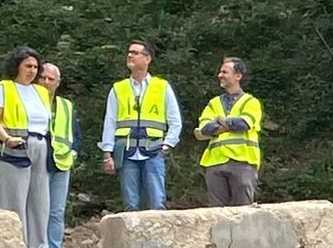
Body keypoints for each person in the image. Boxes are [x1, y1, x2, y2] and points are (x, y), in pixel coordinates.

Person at [0, 46, 54, 248]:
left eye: (36, 67)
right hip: (14, 145)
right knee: (14, 198)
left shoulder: (42, 91)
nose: (32, 71)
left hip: (39, 143)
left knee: (40, 199)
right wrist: (6, 138)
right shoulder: (4, 88)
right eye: (28, 66)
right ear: (17, 66)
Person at [98, 39, 180, 210]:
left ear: (147, 58)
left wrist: (166, 146)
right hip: (126, 153)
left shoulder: (162, 87)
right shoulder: (118, 88)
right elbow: (110, 123)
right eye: (129, 52)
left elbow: (175, 121)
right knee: (130, 205)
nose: (130, 55)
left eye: (135, 53)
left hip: (153, 152)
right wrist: (107, 154)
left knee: (157, 203)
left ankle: (158, 237)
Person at [196, 56, 262, 206]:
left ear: (238, 76)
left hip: (242, 162)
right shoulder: (214, 103)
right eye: (220, 72)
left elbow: (243, 124)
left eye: (225, 72)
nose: (220, 75)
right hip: (215, 162)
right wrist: (229, 124)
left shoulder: (251, 102)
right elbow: (205, 128)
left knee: (243, 210)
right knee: (217, 213)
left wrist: (222, 122)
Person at [39, 62, 81, 248]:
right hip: (38, 162)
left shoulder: (66, 106)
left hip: (61, 163)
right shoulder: (30, 102)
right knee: (39, 209)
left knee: (56, 210)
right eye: (43, 78)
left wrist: (73, 153)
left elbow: (76, 135)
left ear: (58, 83)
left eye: (51, 79)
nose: (46, 82)